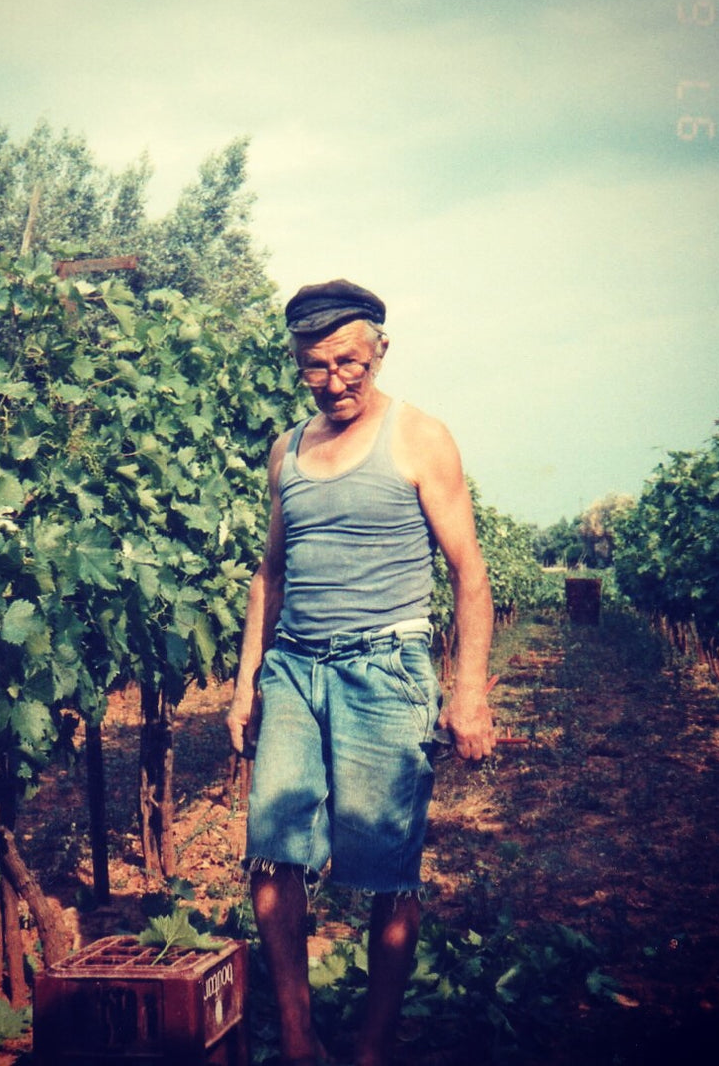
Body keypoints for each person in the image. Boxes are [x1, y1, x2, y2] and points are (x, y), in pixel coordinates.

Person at [226, 278, 495, 1066]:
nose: (336, 378)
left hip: (387, 672)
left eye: (349, 360)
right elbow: (269, 575)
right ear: (296, 362)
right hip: (294, 674)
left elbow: (469, 573)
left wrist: (470, 692)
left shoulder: (420, 438)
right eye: (315, 364)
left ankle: (373, 1048)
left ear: (380, 347)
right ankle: (302, 1040)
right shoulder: (289, 450)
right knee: (271, 854)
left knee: (387, 873)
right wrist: (246, 683)